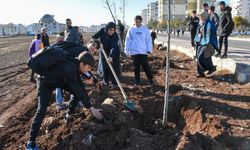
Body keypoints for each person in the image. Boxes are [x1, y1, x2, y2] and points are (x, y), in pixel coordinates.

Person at [26, 51, 103, 150]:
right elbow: (77, 88)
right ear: (82, 64)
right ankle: (31, 143)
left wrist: (96, 81)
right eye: (88, 67)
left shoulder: (77, 64)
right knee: (41, 110)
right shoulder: (69, 68)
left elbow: (82, 84)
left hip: (59, 80)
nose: (89, 70)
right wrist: (91, 108)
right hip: (45, 81)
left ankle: (69, 115)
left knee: (78, 93)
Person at [125, 15, 154, 85]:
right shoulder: (131, 29)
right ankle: (137, 80)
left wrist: (149, 49)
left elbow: (148, 40)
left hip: (143, 51)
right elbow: (127, 40)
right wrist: (126, 50)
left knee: (145, 66)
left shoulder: (145, 29)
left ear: (141, 21)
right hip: (134, 52)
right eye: (136, 22)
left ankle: (150, 80)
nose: (137, 23)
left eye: (139, 22)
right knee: (136, 67)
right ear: (134, 22)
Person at [92, 22, 121, 88]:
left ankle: (114, 83)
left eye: (113, 30)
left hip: (114, 53)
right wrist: (98, 42)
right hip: (104, 51)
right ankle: (105, 81)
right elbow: (93, 37)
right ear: (107, 29)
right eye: (110, 30)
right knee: (105, 67)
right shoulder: (102, 31)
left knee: (114, 67)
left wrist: (111, 57)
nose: (112, 32)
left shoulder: (115, 36)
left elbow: (114, 47)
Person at [194, 11, 217, 78]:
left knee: (201, 56)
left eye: (201, 16)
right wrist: (196, 40)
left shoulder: (210, 23)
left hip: (208, 43)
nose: (200, 18)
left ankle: (211, 68)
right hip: (200, 42)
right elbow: (198, 32)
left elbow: (210, 33)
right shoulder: (200, 22)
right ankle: (200, 72)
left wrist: (206, 41)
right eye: (200, 16)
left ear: (204, 16)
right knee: (199, 57)